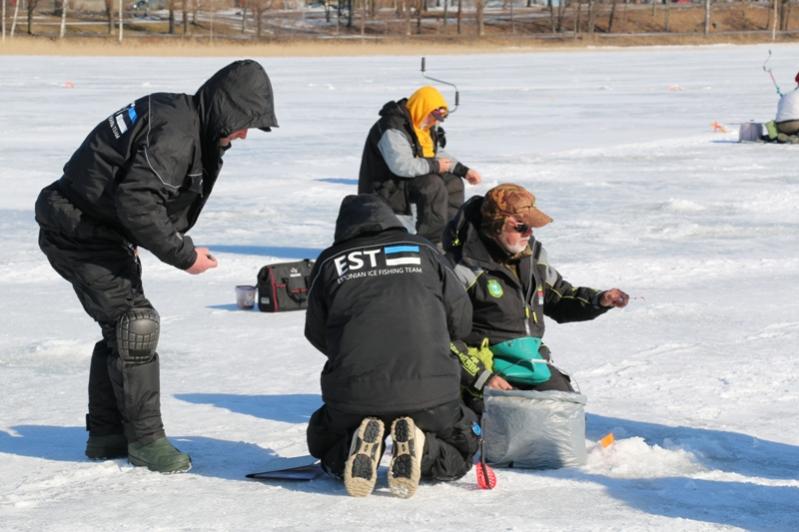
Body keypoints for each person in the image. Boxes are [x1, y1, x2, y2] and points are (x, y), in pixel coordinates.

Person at [34, 60, 278, 473]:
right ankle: (146, 441)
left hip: (93, 227)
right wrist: (184, 255)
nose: (243, 135)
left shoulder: (181, 117)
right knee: (136, 325)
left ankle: (107, 434)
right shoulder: (176, 132)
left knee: (121, 327)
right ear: (227, 108)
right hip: (77, 229)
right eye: (244, 124)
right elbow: (137, 203)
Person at [305, 194, 480, 498]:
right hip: (432, 393)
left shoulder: (331, 261)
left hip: (354, 394)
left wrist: (352, 350)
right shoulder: (424, 249)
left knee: (326, 443)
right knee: (461, 449)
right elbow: (462, 321)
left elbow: (317, 333)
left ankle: (353, 449)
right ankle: (421, 446)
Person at [442, 183, 629, 414]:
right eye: (521, 227)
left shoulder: (532, 256)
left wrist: (599, 300)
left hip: (528, 362)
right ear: (496, 225)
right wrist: (481, 377)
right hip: (483, 370)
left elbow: (558, 297)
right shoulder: (460, 267)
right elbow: (443, 335)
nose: (528, 233)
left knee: (565, 411)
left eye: (531, 227)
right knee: (507, 422)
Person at [358, 85, 482, 246]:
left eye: (440, 118)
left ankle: (450, 235)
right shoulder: (392, 128)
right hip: (386, 186)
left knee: (453, 182)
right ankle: (432, 242)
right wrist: (435, 166)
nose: (436, 121)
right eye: (434, 116)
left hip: (406, 180)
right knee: (432, 185)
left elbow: (435, 152)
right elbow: (401, 165)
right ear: (423, 109)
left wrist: (463, 170)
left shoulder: (422, 126)